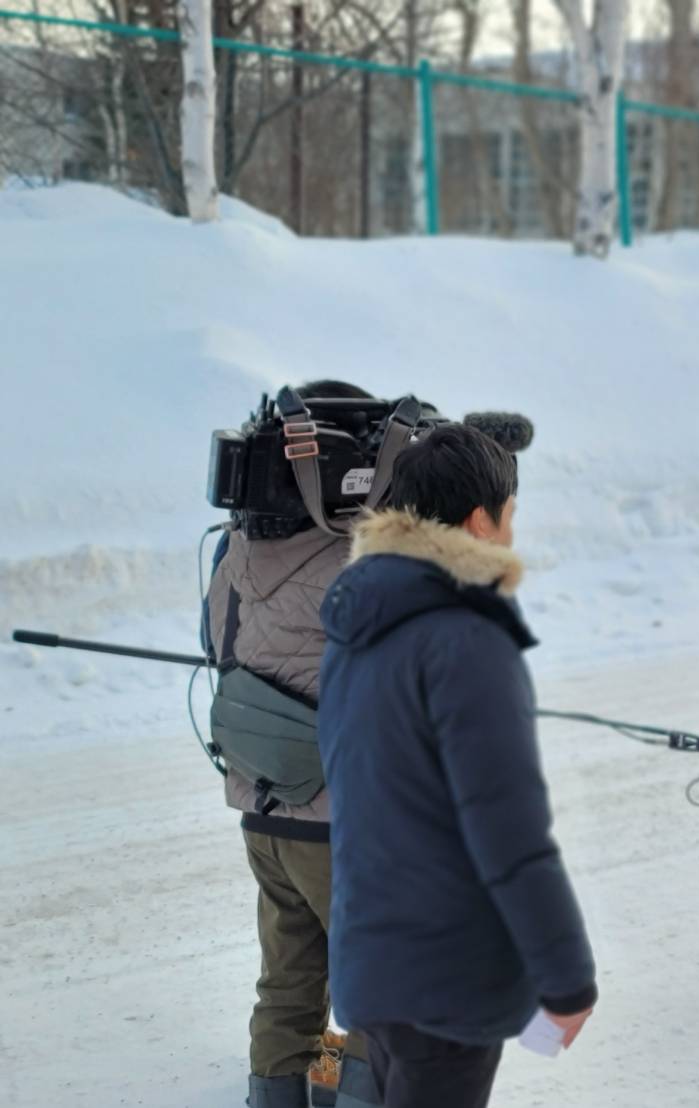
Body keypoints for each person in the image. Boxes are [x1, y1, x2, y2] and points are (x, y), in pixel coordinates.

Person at [316, 423, 597, 1108]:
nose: (509, 534)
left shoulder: (359, 626)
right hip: (447, 981)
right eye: (509, 516)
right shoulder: (466, 638)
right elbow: (509, 831)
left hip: (373, 964)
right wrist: (568, 980)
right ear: (480, 519)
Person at [205, 379, 381, 1108]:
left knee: (288, 972)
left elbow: (217, 645)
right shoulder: (362, 564)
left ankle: (273, 1094)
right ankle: (368, 1096)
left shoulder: (234, 550)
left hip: (263, 806)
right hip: (341, 819)